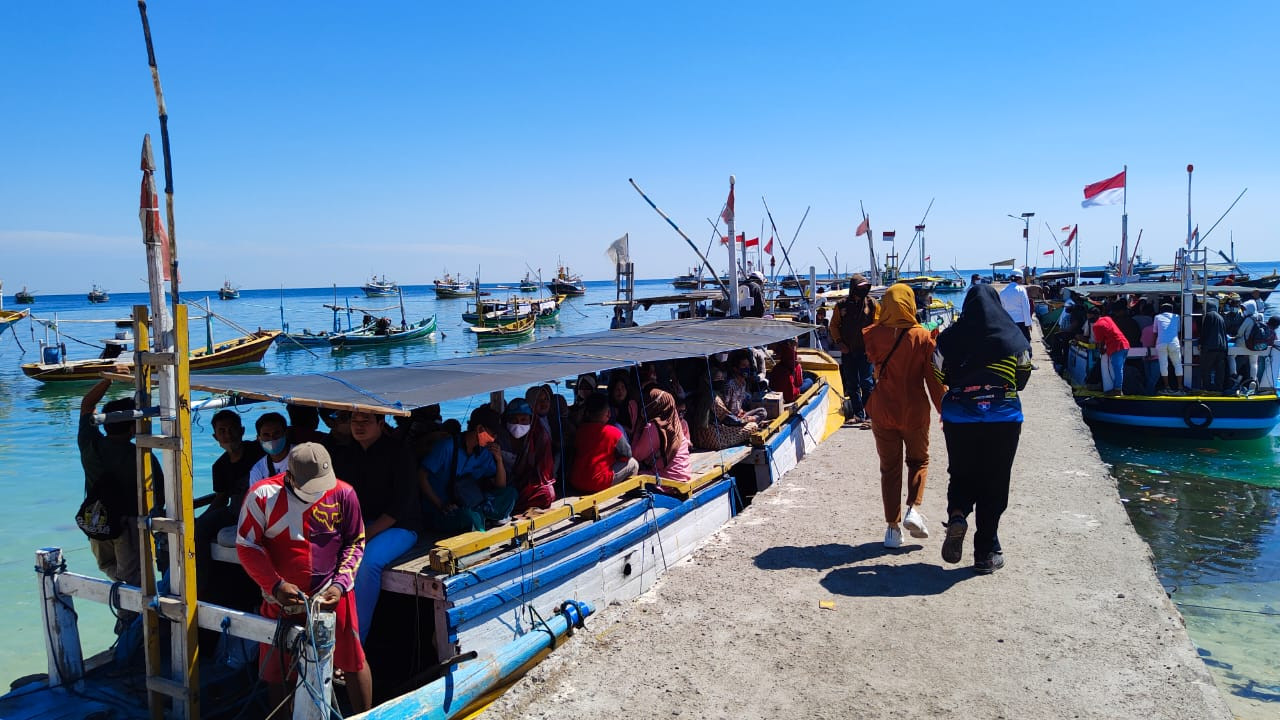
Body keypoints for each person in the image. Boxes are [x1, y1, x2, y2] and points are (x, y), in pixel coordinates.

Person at [235, 442, 372, 712]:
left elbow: (355, 542)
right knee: (278, 670)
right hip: (281, 600)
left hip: (333, 597)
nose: (318, 492)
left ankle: (366, 715)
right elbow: (247, 545)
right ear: (289, 477)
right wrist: (275, 585)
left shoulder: (344, 493)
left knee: (353, 661)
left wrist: (340, 585)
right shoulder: (262, 495)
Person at [933, 284, 1032, 574]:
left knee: (961, 473)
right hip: (1003, 419)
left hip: (959, 418)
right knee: (995, 479)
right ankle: (986, 552)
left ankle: (958, 514)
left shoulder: (949, 338)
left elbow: (938, 372)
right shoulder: (1013, 335)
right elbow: (1023, 377)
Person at [863, 284, 946, 548]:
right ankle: (913, 509)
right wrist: (945, 409)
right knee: (919, 461)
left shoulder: (874, 335)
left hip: (883, 410)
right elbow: (933, 380)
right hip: (914, 410)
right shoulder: (922, 337)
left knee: (889, 469)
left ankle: (891, 529)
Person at [328, 411, 421, 643]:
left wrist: (364, 535)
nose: (359, 426)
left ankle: (356, 641)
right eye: (354, 421)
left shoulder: (399, 453)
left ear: (381, 424)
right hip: (361, 525)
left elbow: (400, 506)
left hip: (400, 527)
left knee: (368, 562)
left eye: (365, 421)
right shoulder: (347, 454)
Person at [78, 379, 164, 590]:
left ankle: (126, 613)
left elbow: (87, 404)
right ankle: (132, 618)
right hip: (127, 527)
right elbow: (159, 496)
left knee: (108, 566)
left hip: (97, 520)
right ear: (133, 426)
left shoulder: (90, 444)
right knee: (135, 582)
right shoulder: (142, 456)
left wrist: (108, 378)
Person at [194, 409, 264, 613]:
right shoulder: (220, 466)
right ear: (216, 437)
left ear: (242, 431)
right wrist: (199, 521)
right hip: (235, 510)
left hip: (259, 510)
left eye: (232, 429)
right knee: (201, 528)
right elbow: (221, 498)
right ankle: (201, 586)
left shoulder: (257, 452)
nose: (228, 435)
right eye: (222, 431)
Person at [418, 406, 515, 534]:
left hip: (470, 501)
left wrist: (499, 461)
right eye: (492, 434)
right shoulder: (446, 447)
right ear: (480, 429)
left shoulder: (484, 452)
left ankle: (481, 517)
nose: (494, 438)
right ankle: (479, 521)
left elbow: (500, 486)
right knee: (469, 517)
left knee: (510, 493)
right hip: (445, 508)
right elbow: (421, 476)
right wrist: (441, 505)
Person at [829, 274, 877, 423]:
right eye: (860, 287)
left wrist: (873, 346)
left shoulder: (872, 304)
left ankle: (870, 415)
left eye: (865, 287)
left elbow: (878, 325)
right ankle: (858, 415)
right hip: (848, 350)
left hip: (866, 351)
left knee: (867, 383)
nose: (863, 290)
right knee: (852, 384)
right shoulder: (841, 305)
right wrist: (839, 342)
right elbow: (834, 325)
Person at [569, 393, 638, 494]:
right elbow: (627, 455)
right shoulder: (613, 432)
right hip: (597, 483)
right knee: (633, 463)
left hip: (576, 481)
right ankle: (628, 495)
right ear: (608, 414)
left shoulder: (580, 430)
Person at [501, 398, 557, 512]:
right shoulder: (500, 438)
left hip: (527, 484)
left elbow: (543, 471)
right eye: (513, 419)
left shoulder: (538, 437)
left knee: (547, 494)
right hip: (502, 483)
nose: (518, 424)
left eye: (523, 419)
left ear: (531, 420)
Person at [631, 386, 692, 481]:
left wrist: (638, 427)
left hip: (667, 480)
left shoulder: (654, 427)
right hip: (684, 475)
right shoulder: (676, 422)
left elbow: (636, 455)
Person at [1087, 307, 1130, 395]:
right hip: (1125, 344)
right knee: (1119, 369)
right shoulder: (1107, 318)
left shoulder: (1096, 326)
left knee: (1117, 369)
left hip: (1116, 347)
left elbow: (1100, 342)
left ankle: (1117, 390)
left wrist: (1101, 350)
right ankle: (1117, 388)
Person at [249, 412, 292, 483]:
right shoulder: (258, 470)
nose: (272, 438)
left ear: (285, 433)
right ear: (258, 439)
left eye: (276, 433)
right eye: (266, 435)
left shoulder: (302, 456)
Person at [768, 337, 813, 402]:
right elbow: (799, 383)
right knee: (809, 381)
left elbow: (771, 384)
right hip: (790, 396)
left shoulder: (776, 368)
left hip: (778, 396)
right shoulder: (796, 365)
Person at [1153, 303, 1184, 393]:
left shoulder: (1157, 317)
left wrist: (1154, 344)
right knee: (1177, 364)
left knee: (1163, 365)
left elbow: (1155, 332)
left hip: (1161, 342)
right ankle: (1180, 387)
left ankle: (1167, 387)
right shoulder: (1177, 317)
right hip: (1174, 342)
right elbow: (1178, 331)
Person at [1199, 298, 1229, 391]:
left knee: (1206, 369)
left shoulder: (1209, 315)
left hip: (1211, 347)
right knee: (1219, 370)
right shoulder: (1221, 317)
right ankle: (1218, 388)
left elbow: (1205, 331)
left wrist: (1201, 343)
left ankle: (1207, 389)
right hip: (1222, 348)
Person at [998, 270, 1034, 341]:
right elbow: (1026, 308)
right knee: (1025, 343)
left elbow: (1002, 309)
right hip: (1021, 322)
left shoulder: (1003, 291)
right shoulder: (1021, 290)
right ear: (1020, 278)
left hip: (1009, 322)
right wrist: (1028, 323)